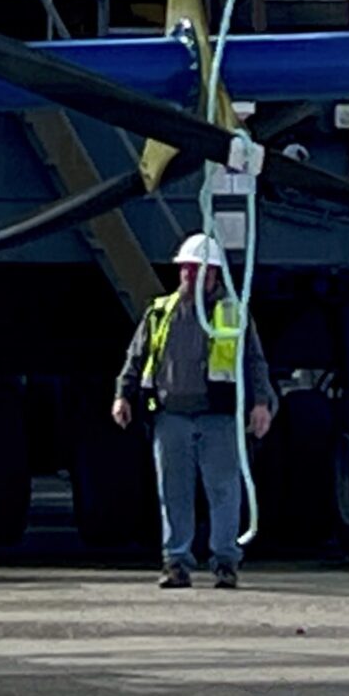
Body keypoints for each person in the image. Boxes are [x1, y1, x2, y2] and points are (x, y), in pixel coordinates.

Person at [114, 232, 276, 589]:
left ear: (214, 274)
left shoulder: (234, 314)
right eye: (185, 269)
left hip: (218, 417)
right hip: (171, 414)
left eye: (197, 270)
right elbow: (137, 357)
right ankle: (176, 563)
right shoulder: (160, 312)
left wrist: (261, 404)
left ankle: (225, 561)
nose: (189, 276)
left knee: (224, 490)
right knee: (174, 491)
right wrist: (122, 395)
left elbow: (254, 361)